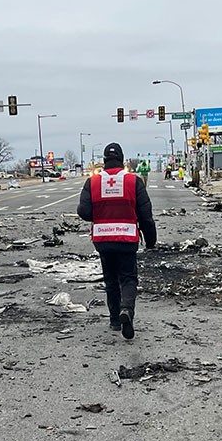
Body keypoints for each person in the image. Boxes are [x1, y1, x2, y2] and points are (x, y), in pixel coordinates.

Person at [77, 143, 157, 340]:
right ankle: (127, 310)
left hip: (103, 240)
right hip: (127, 238)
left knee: (110, 280)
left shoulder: (93, 182)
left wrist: (101, 214)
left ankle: (114, 319)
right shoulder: (133, 181)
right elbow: (145, 215)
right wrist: (150, 240)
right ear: (122, 159)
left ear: (104, 160)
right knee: (128, 278)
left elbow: (84, 212)